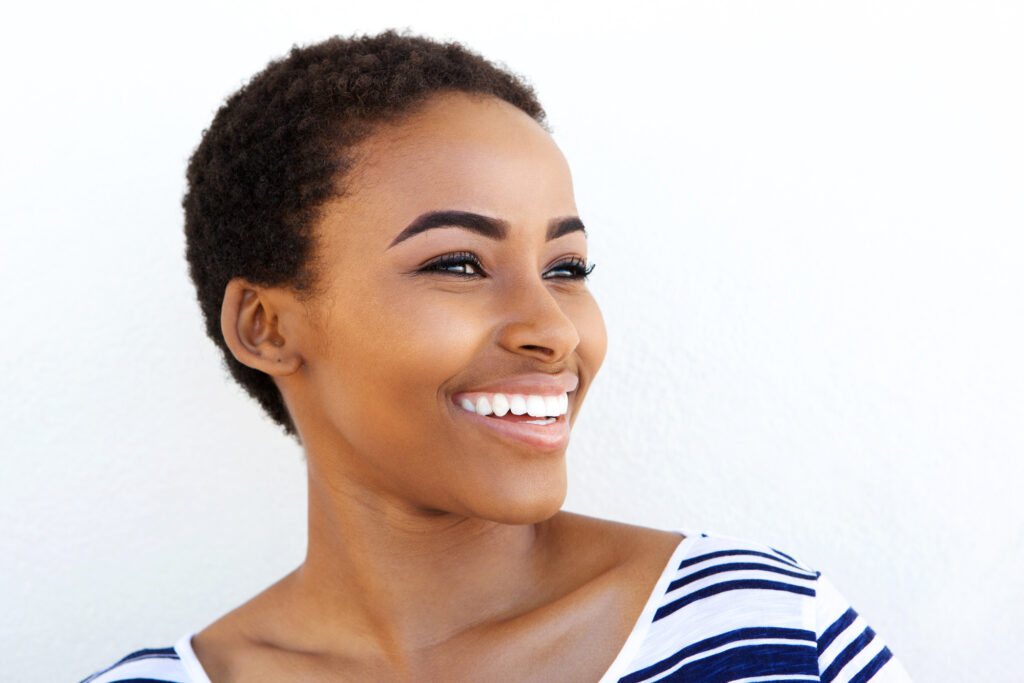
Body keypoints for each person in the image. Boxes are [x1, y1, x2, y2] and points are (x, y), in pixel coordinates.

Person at [80, 31, 910, 683]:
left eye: (566, 269)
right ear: (266, 325)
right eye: (457, 264)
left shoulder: (764, 631)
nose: (552, 328)